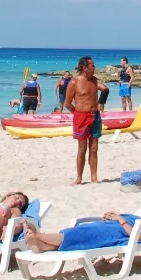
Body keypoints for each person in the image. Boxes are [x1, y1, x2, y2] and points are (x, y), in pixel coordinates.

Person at [22, 200, 141, 252]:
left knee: (81, 235)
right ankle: (41, 246)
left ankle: (39, 236)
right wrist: (111, 217)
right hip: (108, 229)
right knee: (80, 232)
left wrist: (120, 220)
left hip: (112, 234)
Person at [63, 56, 109, 184]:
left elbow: (105, 89)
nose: (95, 68)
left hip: (95, 117)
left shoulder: (94, 80)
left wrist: (101, 101)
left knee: (94, 148)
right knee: (82, 149)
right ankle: (79, 178)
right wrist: (78, 113)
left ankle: (94, 177)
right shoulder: (74, 82)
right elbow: (67, 103)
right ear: (85, 68)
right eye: (92, 66)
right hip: (81, 117)